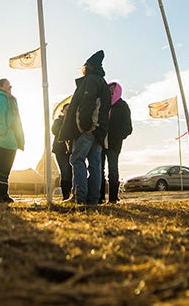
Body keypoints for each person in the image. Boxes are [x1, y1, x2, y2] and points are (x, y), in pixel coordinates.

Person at [59, 50, 110, 205]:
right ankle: (93, 199)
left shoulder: (90, 81)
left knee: (76, 159)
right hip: (99, 130)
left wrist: (86, 126)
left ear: (89, 66)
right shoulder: (103, 82)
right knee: (95, 165)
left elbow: (87, 104)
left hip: (87, 129)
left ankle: (78, 197)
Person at [100, 82, 132, 204]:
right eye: (109, 89)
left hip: (114, 143)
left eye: (113, 89)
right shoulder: (103, 104)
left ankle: (113, 198)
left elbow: (128, 127)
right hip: (101, 142)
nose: (111, 91)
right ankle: (100, 197)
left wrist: (118, 136)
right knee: (99, 170)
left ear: (118, 90)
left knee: (112, 170)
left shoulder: (123, 106)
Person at [51, 103, 73, 200]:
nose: (68, 111)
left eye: (70, 109)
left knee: (71, 172)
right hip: (60, 150)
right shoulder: (58, 121)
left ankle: (70, 194)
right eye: (66, 109)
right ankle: (66, 196)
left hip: (71, 150)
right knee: (65, 171)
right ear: (63, 111)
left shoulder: (73, 121)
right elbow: (55, 131)